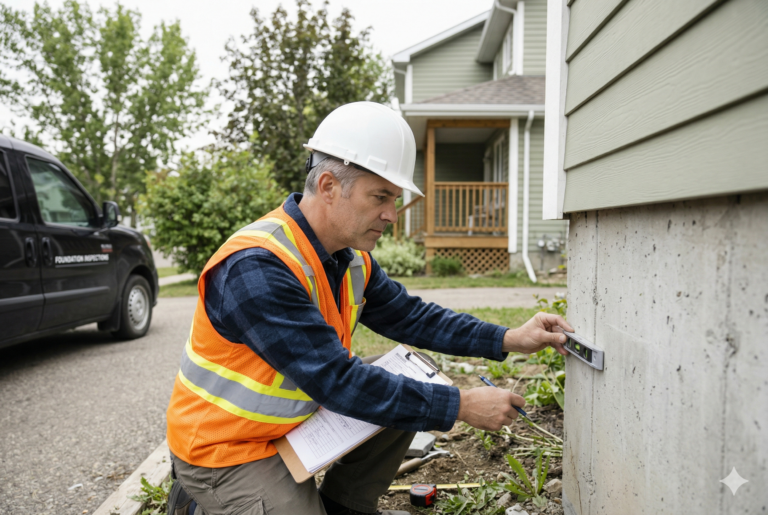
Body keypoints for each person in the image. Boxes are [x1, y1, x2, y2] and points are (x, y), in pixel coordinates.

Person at [165, 102, 573, 515]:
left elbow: (412, 317)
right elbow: (339, 382)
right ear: (328, 186)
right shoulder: (257, 268)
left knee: (415, 369)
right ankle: (197, 501)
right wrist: (461, 405)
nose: (391, 215)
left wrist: (509, 338)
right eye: (380, 197)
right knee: (404, 393)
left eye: (393, 199)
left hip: (287, 421)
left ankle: (346, 505)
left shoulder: (349, 257)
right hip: (226, 448)